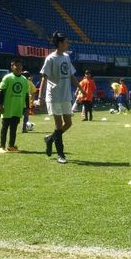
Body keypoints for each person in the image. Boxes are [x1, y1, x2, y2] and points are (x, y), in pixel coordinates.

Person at [39, 32, 83, 164]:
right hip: (54, 96)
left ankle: (50, 139)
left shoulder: (66, 57)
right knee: (58, 125)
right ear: (59, 44)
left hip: (65, 95)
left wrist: (80, 88)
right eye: (66, 42)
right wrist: (40, 97)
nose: (68, 44)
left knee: (68, 123)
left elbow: (71, 75)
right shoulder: (50, 59)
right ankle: (60, 155)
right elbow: (44, 78)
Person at [0, 59, 29, 153]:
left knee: (14, 128)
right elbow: (2, 92)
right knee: (5, 127)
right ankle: (2, 147)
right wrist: (1, 105)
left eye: (20, 65)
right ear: (12, 67)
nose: (19, 67)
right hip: (7, 107)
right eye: (16, 65)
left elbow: (26, 94)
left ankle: (11, 146)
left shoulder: (24, 79)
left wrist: (27, 107)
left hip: (18, 108)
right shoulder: (7, 77)